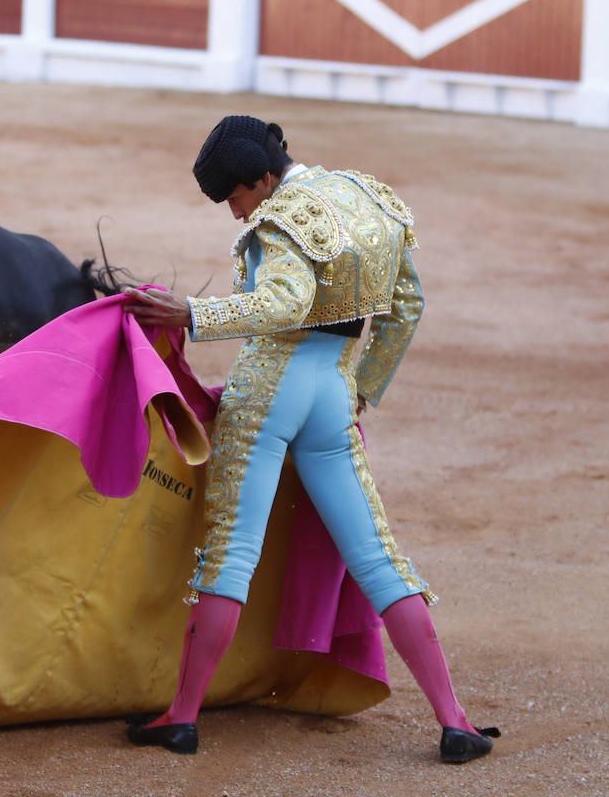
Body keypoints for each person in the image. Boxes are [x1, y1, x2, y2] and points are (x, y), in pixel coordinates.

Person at [121, 117, 498, 764]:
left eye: (235, 197)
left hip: (271, 387)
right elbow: (407, 304)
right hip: (333, 388)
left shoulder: (280, 216)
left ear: (262, 178)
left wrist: (194, 314)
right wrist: (361, 388)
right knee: (377, 555)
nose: (235, 211)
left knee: (232, 553)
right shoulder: (368, 197)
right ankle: (455, 721)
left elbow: (285, 304)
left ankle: (181, 716)